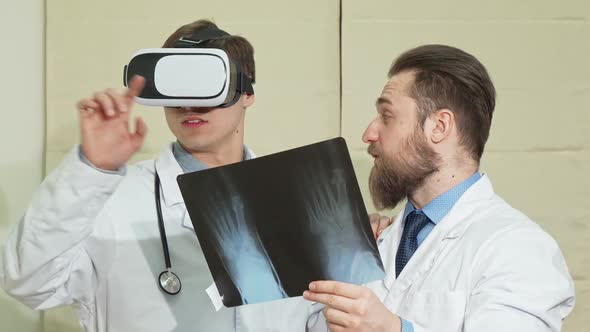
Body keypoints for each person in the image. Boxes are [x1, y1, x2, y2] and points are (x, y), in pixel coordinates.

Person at [0, 19, 322, 332]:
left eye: (206, 83)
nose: (189, 103)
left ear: (246, 92)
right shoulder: (107, 201)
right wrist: (90, 170)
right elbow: (27, 281)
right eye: (177, 85)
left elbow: (325, 318)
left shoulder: (298, 204)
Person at [303, 44, 576, 332]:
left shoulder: (519, 248)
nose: (369, 133)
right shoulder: (377, 239)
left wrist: (394, 330)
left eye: (387, 116)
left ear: (439, 126)